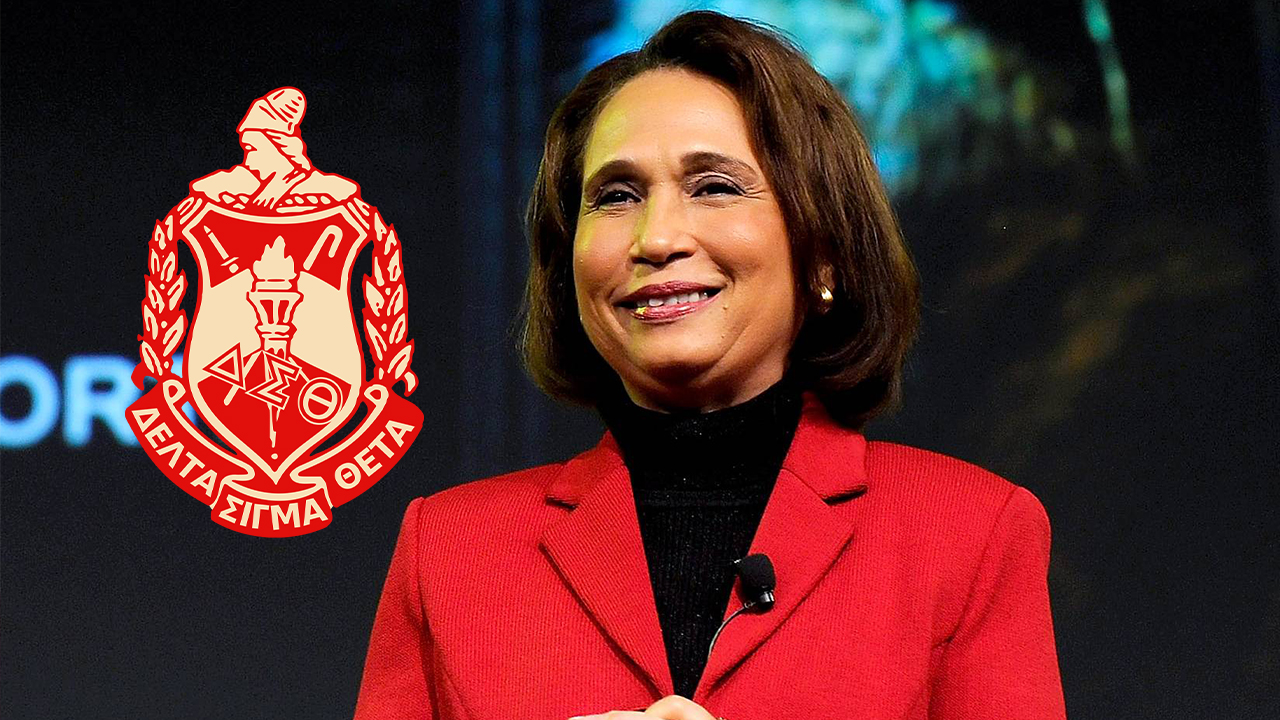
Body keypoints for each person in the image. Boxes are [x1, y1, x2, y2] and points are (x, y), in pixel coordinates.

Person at [355, 10, 1066, 719]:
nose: (656, 237)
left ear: (823, 252)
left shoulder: (971, 536)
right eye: (616, 197)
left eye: (714, 187)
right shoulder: (449, 551)